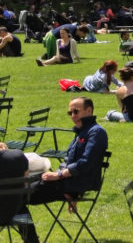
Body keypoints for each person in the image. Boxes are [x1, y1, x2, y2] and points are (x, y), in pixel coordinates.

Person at [19, 97, 108, 243]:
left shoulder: (96, 132)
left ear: (89, 110)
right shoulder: (81, 132)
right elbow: (71, 162)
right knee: (20, 186)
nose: (73, 116)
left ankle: (31, 241)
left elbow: (85, 164)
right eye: (70, 113)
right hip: (68, 183)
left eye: (76, 111)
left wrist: (59, 175)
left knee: (17, 195)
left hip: (74, 184)